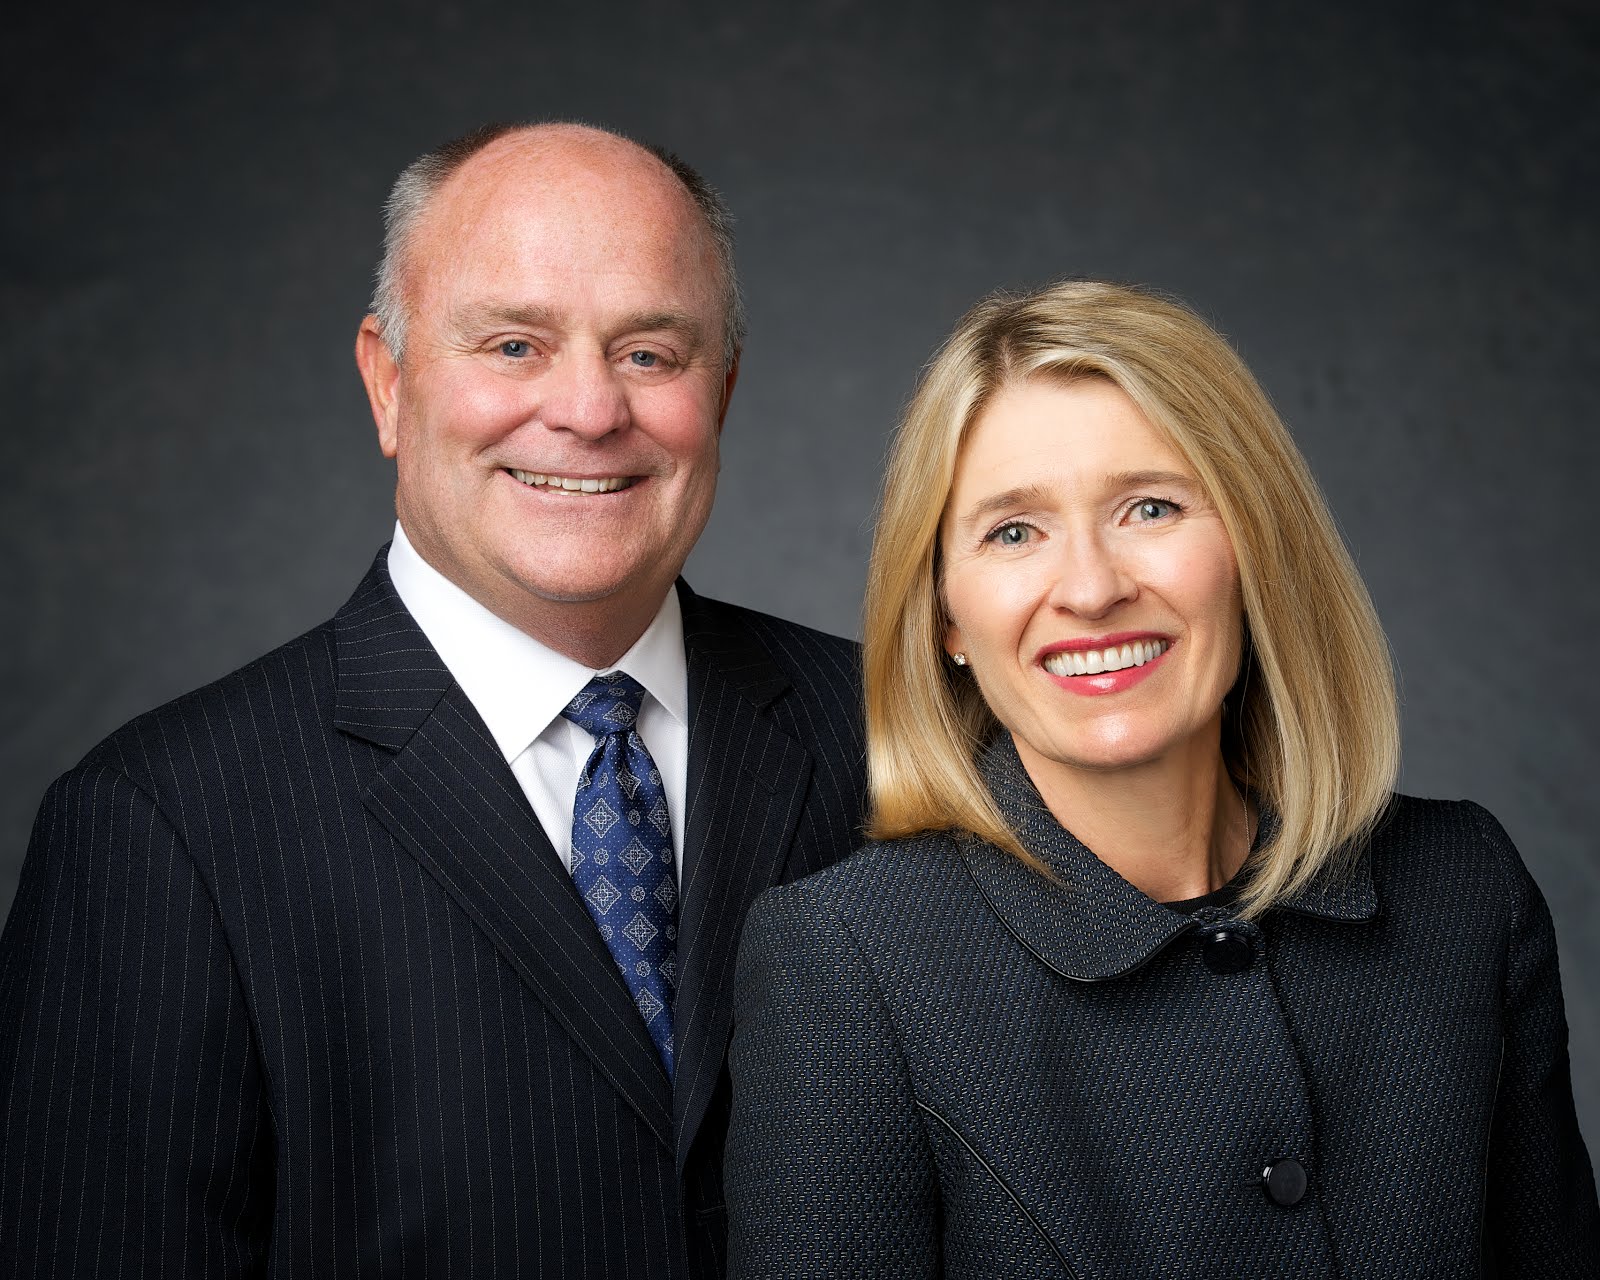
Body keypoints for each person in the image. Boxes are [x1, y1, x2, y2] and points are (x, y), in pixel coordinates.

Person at [0, 122, 865, 1277]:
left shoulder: (890, 731)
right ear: (389, 382)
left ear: (724, 389)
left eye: (650, 353)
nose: (589, 410)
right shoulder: (156, 828)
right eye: (513, 344)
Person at [724, 280, 1599, 1277]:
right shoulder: (849, 964)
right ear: (946, 617)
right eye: (1013, 530)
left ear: (1253, 547)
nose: (1092, 587)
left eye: (1149, 506)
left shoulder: (1463, 889)